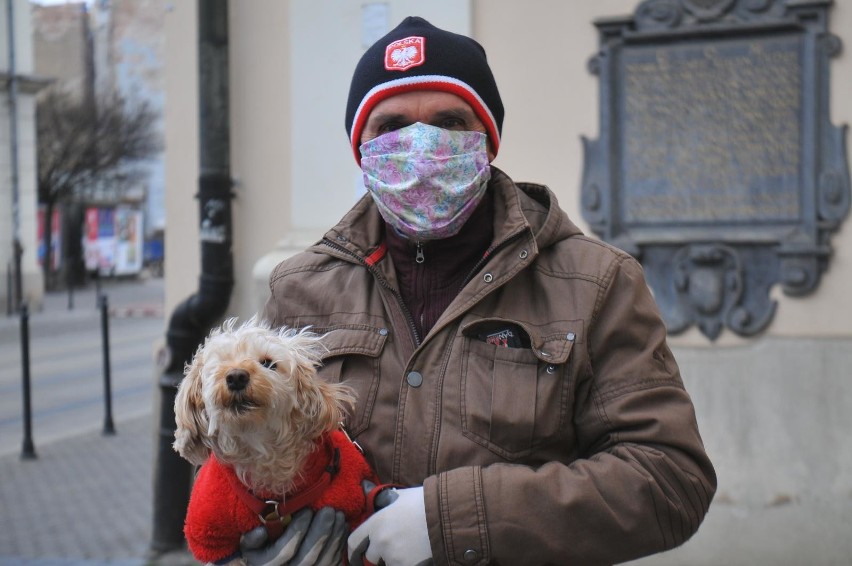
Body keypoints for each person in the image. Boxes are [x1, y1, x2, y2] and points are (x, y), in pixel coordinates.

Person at [241, 15, 716, 566]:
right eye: (391, 127)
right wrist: (249, 541)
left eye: (449, 123)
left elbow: (669, 480)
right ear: (362, 149)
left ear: (486, 143)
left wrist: (451, 519)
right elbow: (243, 452)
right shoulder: (299, 290)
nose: (420, 148)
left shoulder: (593, 284)